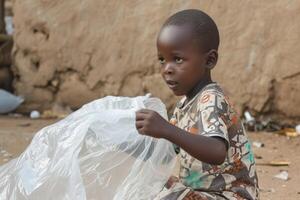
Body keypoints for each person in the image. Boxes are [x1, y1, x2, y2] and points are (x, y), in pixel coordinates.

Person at [135, 9, 259, 200]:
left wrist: (166, 129)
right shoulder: (184, 104)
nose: (167, 69)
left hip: (228, 196)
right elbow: (165, 153)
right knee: (148, 182)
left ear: (209, 60)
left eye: (177, 59)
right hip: (200, 194)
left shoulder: (211, 100)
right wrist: (112, 139)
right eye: (162, 60)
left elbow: (216, 151)